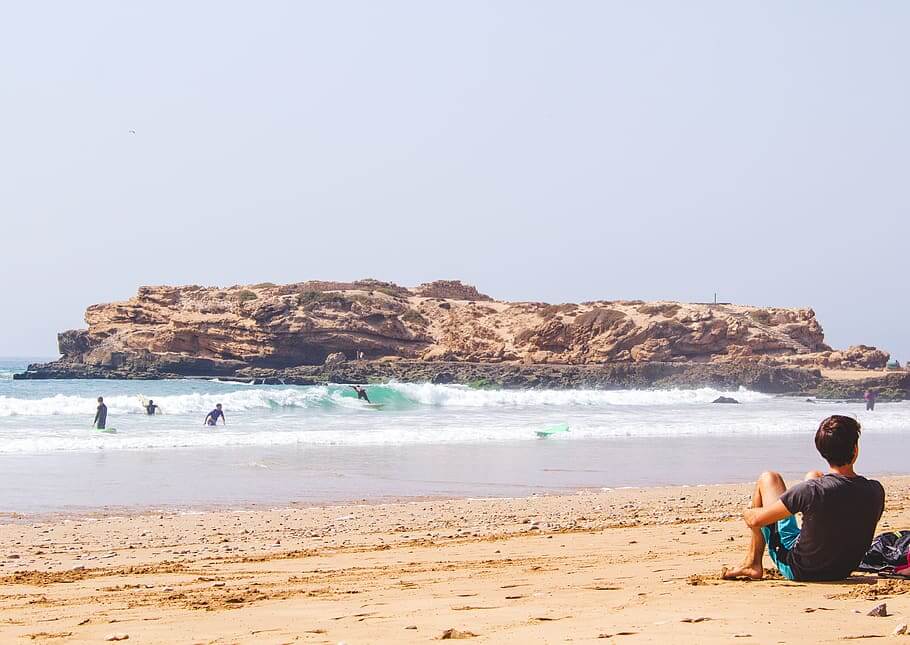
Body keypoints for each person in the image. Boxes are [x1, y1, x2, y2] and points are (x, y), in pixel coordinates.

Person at [722, 415, 884, 582]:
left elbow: (756, 520)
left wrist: (749, 510)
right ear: (855, 450)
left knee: (769, 478)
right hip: (843, 568)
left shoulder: (811, 490)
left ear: (822, 452)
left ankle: (752, 563)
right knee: (814, 475)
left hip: (802, 569)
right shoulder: (875, 490)